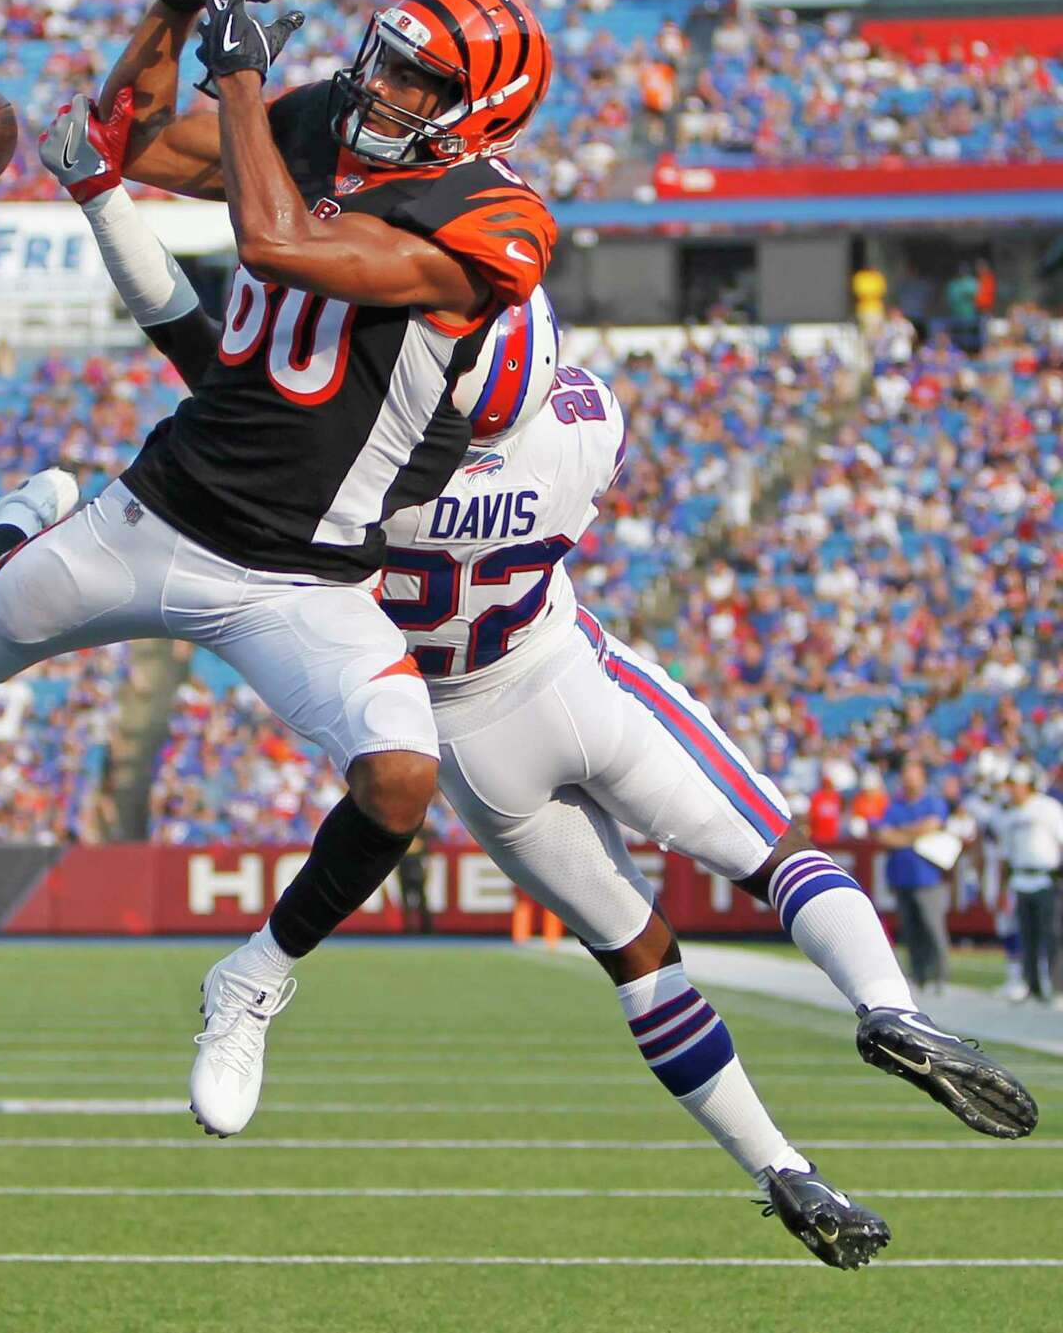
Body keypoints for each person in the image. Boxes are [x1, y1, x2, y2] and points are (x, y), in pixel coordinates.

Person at [63, 161, 1036, 1269]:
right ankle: (885, 1002)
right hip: (569, 673)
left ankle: (783, 1167)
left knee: (640, 959)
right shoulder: (588, 428)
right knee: (774, 856)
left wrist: (105, 196)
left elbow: (187, 334)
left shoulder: (361, 466)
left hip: (466, 736)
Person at [0, 0, 556, 1142]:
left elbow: (283, 242)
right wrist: (169, 15)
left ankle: (249, 980)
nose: (382, 88)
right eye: (384, 59)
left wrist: (248, 77)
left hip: (303, 577)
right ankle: (28, 512)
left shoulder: (496, 218)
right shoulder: (312, 121)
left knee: (402, 777)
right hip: (158, 511)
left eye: (420, 81)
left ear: (485, 112)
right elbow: (133, 137)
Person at [875, 759, 951, 993]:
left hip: (928, 877)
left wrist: (902, 834)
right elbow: (884, 836)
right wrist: (914, 833)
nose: (908, 780)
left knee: (933, 928)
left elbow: (933, 825)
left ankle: (940, 977)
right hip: (901, 876)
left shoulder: (932, 802)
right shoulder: (895, 805)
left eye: (913, 775)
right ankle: (919, 976)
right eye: (906, 776)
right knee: (910, 929)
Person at [996, 764, 1063, 1003]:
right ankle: (1032, 985)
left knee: (1053, 934)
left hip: (1047, 877)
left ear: (1029, 785)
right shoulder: (1008, 814)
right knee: (1027, 936)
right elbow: (1005, 856)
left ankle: (1056, 988)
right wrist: (1002, 888)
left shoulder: (1049, 809)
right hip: (1020, 879)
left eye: (1016, 785)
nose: (1012, 790)